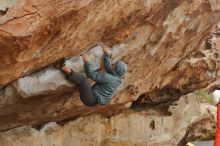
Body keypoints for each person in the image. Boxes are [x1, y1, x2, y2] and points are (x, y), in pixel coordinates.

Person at [58, 46, 127, 106]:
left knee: (82, 79)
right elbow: (108, 67)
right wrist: (107, 54)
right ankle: (68, 72)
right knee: (81, 82)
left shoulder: (111, 79)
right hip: (93, 98)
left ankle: (63, 67)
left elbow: (92, 75)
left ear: (116, 69)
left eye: (114, 65)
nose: (112, 65)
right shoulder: (116, 77)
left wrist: (87, 62)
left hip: (90, 98)